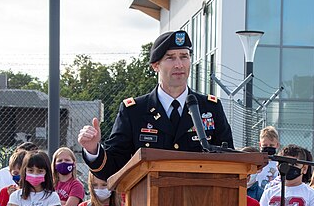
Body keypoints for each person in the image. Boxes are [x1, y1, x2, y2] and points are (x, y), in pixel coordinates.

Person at [78, 30, 233, 180]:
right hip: (149, 202)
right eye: (171, 58)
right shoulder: (134, 111)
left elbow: (230, 160)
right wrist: (93, 149)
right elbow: (114, 166)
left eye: (184, 56)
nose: (179, 64)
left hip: (202, 201)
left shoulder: (210, 107)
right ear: (155, 65)